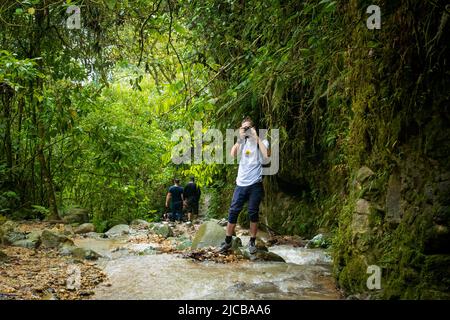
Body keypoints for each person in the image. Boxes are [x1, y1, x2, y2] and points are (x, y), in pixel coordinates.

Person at [219, 117, 269, 254]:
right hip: (240, 183)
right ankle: (228, 240)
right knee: (233, 211)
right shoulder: (242, 142)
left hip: (255, 184)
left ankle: (252, 241)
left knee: (253, 212)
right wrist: (240, 138)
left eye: (248, 127)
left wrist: (256, 137)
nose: (246, 130)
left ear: (253, 128)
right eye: (244, 128)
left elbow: (266, 155)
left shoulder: (262, 141)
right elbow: (232, 154)